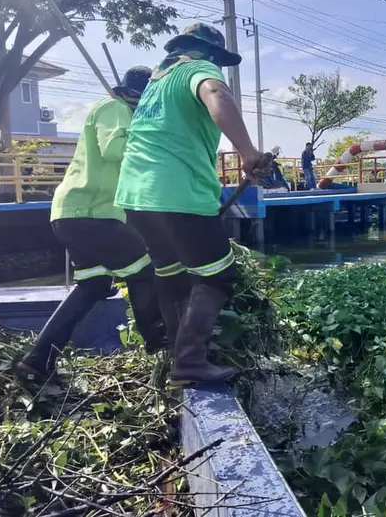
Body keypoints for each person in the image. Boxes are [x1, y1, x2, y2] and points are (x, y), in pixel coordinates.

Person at [114, 24, 264, 387]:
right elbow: (217, 95)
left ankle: (174, 351)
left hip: (136, 197)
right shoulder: (200, 67)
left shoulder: (156, 82)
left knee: (172, 276)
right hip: (177, 192)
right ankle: (190, 361)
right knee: (218, 274)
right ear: (210, 53)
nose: (219, 68)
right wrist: (248, 154)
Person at [16, 67, 166, 383]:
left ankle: (39, 358)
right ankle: (158, 340)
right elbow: (116, 150)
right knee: (145, 269)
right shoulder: (115, 108)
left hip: (80, 214)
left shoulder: (128, 113)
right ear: (141, 95)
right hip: (88, 212)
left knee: (94, 286)